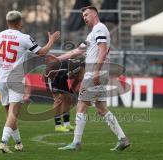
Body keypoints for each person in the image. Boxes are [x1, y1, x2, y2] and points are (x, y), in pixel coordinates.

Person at [0, 10, 60, 153]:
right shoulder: (24, 37)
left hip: (1, 79)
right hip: (16, 79)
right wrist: (52, 41)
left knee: (9, 115)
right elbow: (42, 52)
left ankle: (18, 143)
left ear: (7, 22)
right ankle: (3, 143)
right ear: (19, 23)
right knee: (13, 114)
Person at [57, 6, 130, 151]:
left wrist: (95, 71)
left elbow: (102, 50)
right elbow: (77, 51)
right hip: (99, 72)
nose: (84, 18)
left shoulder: (99, 29)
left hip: (94, 72)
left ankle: (76, 143)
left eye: (86, 14)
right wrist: (56, 59)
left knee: (81, 106)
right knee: (101, 108)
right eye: (83, 15)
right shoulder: (93, 33)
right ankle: (123, 139)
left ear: (95, 14)